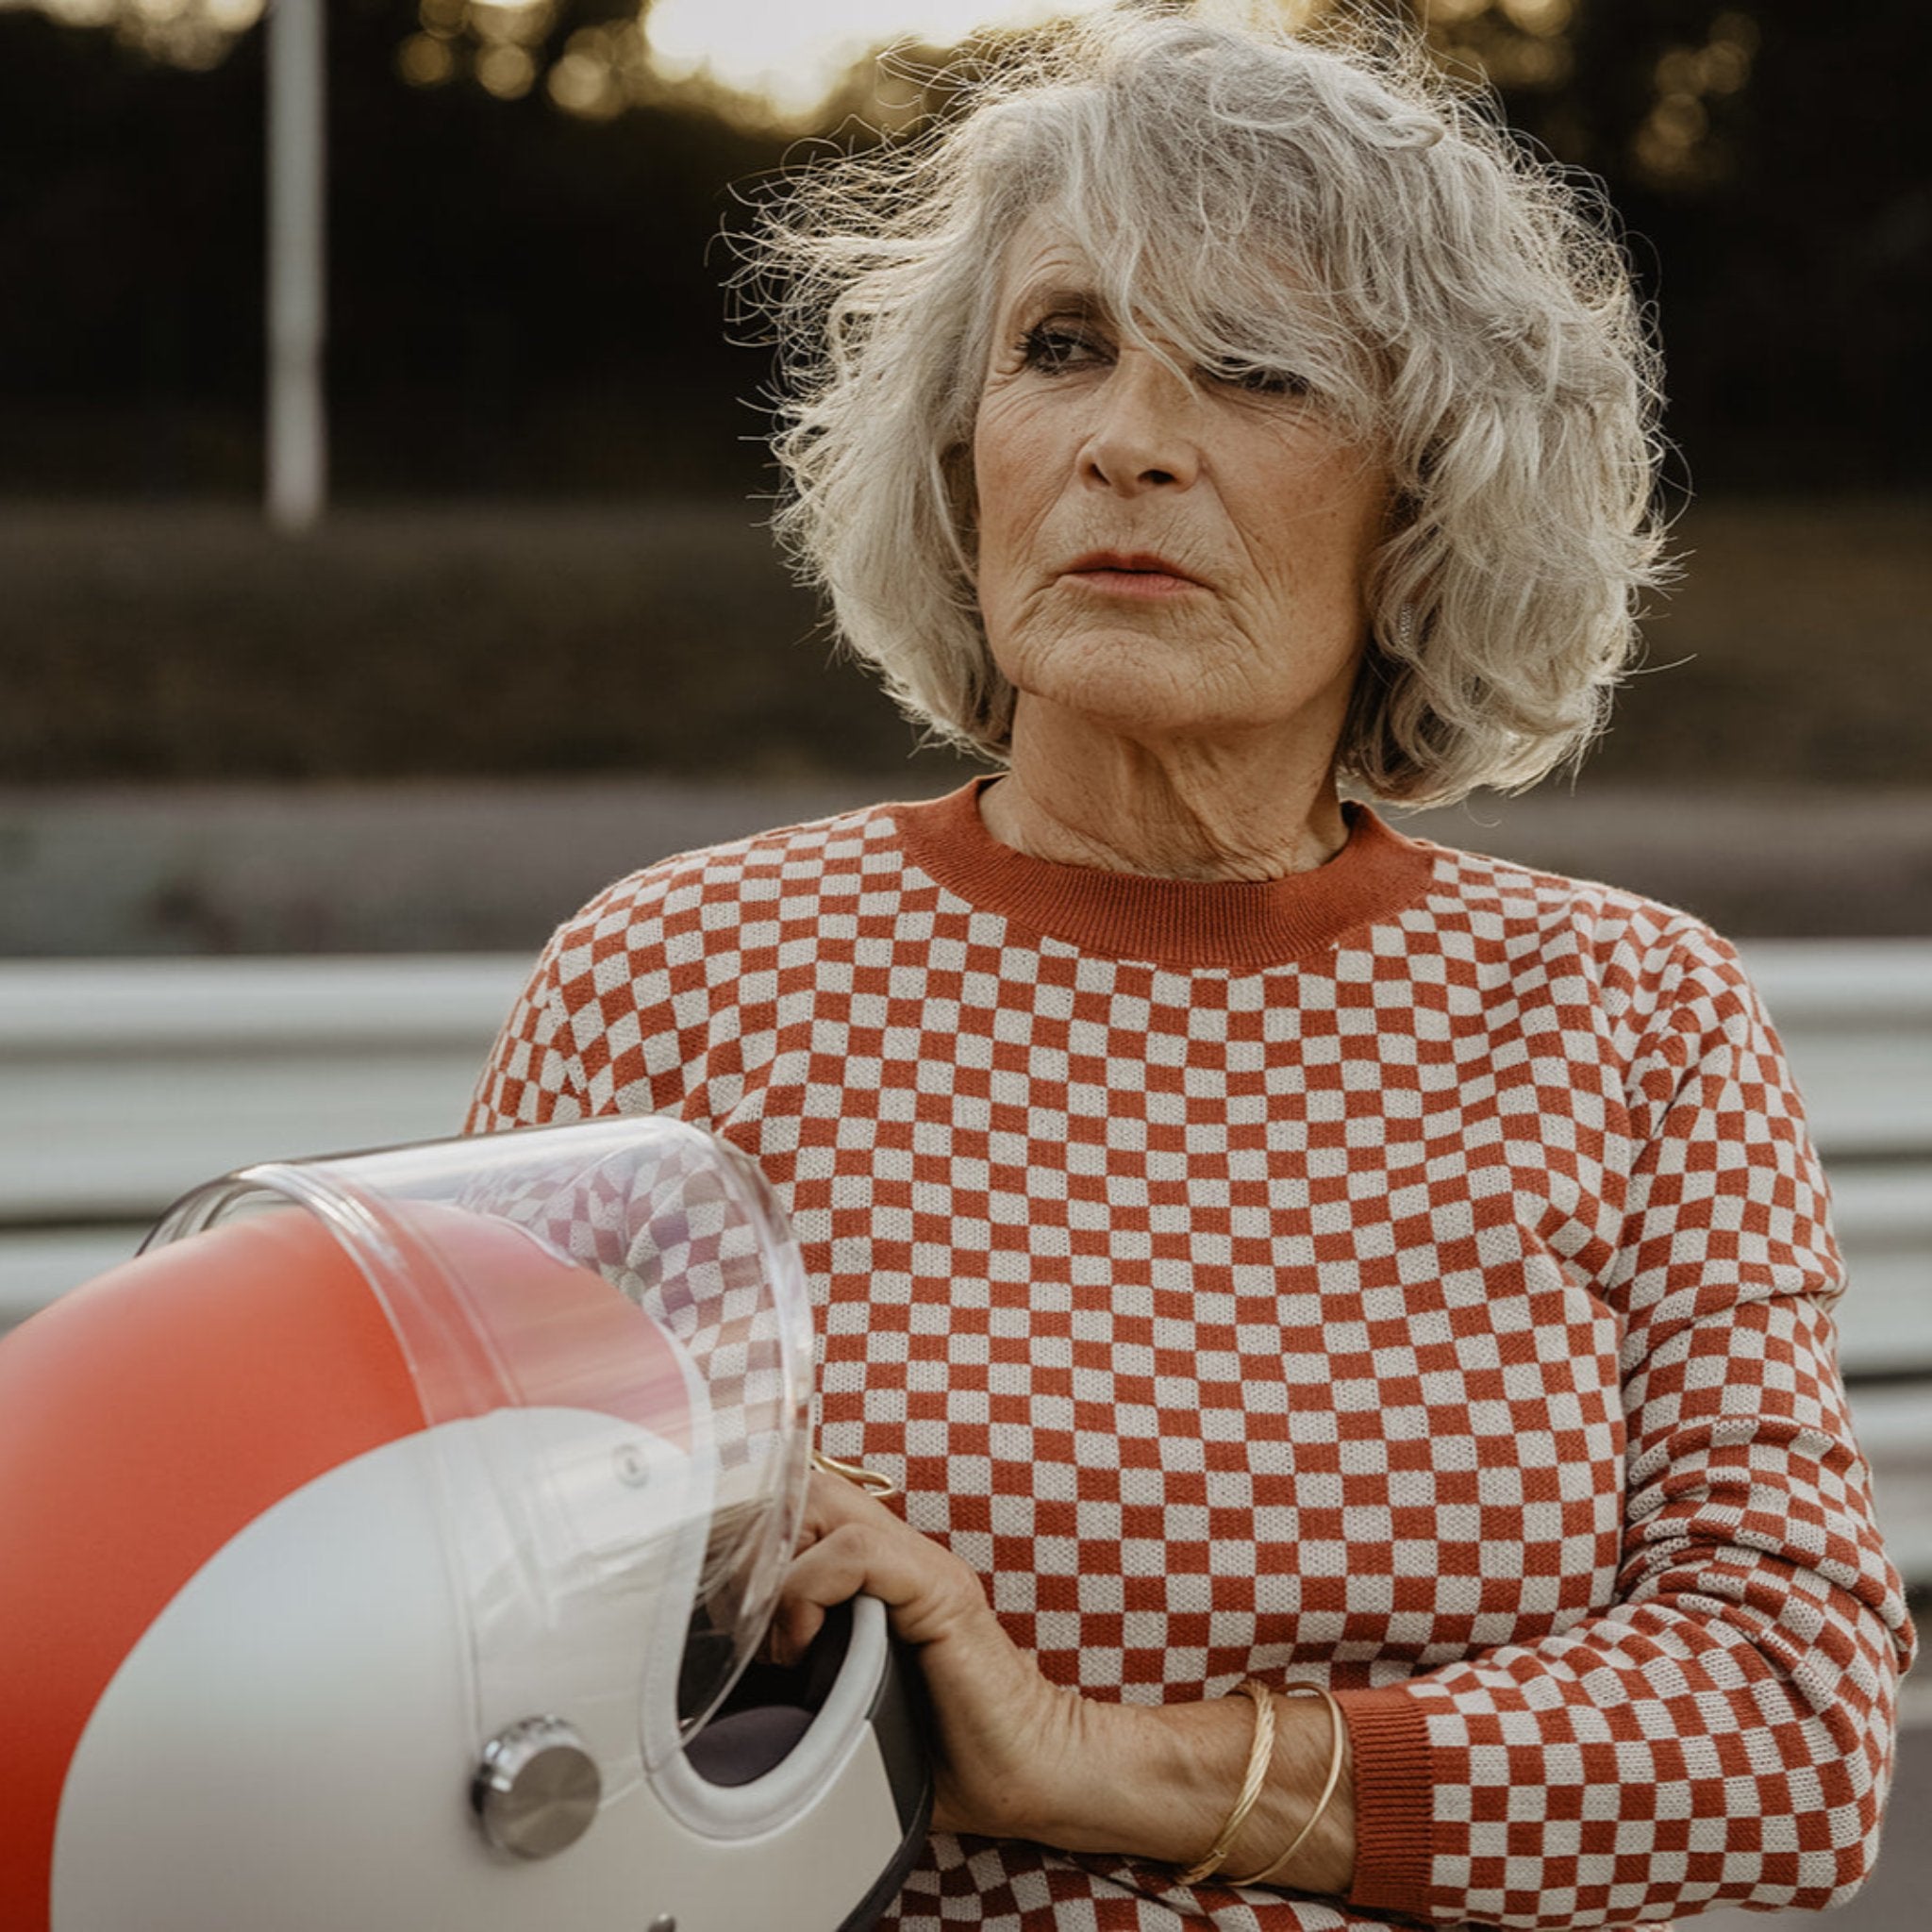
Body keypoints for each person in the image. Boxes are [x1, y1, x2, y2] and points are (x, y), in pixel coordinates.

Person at [469, 9, 1915, 1927]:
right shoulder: (674, 984)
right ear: (961, 439)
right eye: (1061, 347)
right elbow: (462, 1661)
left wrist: (1088, 1756)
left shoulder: (1627, 1018)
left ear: (1434, 485)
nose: (1128, 442)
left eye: (1254, 372)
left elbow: (1791, 1735)